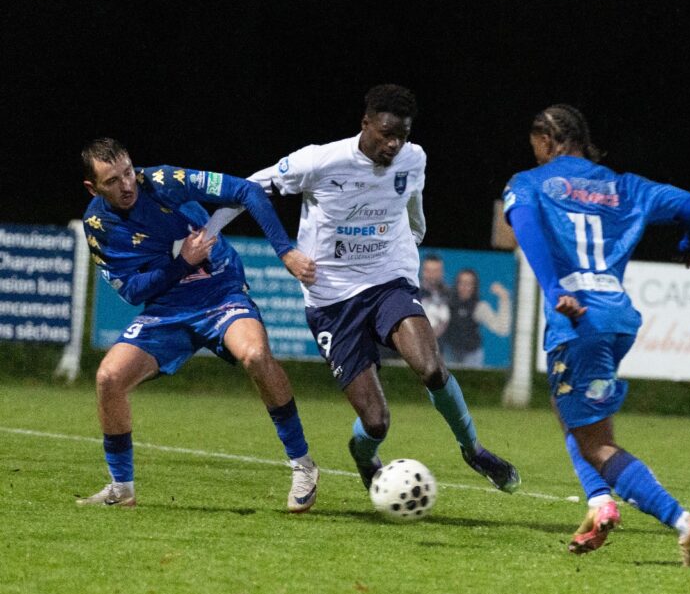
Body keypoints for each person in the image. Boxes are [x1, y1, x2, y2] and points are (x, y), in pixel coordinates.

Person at [247, 84, 520, 493]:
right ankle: (363, 455)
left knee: (431, 367)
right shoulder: (321, 161)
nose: (393, 144)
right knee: (376, 422)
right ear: (366, 123)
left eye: (402, 136)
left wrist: (416, 229)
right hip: (331, 301)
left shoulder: (413, 158)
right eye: (386, 134)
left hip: (387, 281)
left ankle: (473, 449)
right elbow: (246, 190)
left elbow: (412, 198)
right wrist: (265, 245)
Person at [503, 104, 690, 568]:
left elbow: (524, 228)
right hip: (617, 319)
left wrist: (556, 287)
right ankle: (601, 505)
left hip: (578, 322)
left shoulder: (530, 183)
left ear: (544, 140)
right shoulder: (625, 187)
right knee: (577, 420)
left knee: (595, 442)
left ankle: (682, 522)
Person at [77, 138, 321, 512]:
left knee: (255, 356)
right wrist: (183, 263)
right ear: (93, 188)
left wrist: (285, 251)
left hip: (221, 294)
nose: (126, 185)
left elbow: (248, 191)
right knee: (109, 379)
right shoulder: (98, 225)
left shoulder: (163, 181)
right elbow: (132, 291)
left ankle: (303, 465)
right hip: (168, 309)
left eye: (128, 172)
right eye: (112, 181)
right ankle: (121, 488)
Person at [440, 268, 511, 367]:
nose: (464, 287)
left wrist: (504, 299)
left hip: (472, 355)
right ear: (456, 285)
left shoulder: (480, 307)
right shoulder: (446, 304)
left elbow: (502, 329)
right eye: (461, 283)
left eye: (469, 284)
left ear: (474, 287)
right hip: (450, 352)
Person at [418, 253, 451, 339]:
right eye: (428, 271)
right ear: (422, 271)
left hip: (444, 348)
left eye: (435, 271)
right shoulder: (413, 293)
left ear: (442, 272)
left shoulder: (449, 294)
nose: (431, 275)